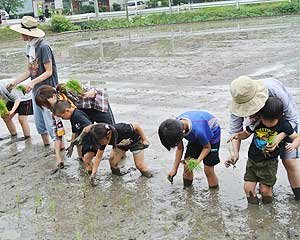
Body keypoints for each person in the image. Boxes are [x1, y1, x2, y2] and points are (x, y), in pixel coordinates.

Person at [228, 76, 300, 200]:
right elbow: (237, 132)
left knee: (289, 161)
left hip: (285, 125)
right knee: (257, 186)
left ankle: (298, 198)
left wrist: (279, 137)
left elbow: (292, 120)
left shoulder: (275, 92)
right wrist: (235, 153)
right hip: (257, 153)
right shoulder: (239, 101)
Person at [9, 16, 58, 147]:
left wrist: (32, 82)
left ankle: (60, 150)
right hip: (36, 91)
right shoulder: (29, 47)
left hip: (47, 91)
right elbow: (29, 71)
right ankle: (47, 147)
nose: (20, 34)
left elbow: (49, 71)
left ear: (27, 33)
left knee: (51, 121)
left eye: (21, 32)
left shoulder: (43, 47)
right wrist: (15, 82)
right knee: (39, 122)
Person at [74, 122, 152, 186]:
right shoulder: (102, 138)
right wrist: (93, 173)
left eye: (101, 142)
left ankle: (150, 178)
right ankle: (117, 181)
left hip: (135, 142)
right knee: (112, 162)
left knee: (139, 165)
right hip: (121, 145)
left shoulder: (121, 129)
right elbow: (98, 157)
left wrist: (144, 140)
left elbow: (137, 126)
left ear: (108, 134)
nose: (100, 144)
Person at [158, 111, 221, 188]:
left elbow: (207, 148)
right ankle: (187, 191)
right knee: (187, 166)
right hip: (195, 135)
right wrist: (174, 169)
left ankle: (213, 195)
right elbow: (180, 148)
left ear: (183, 132)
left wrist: (196, 162)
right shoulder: (174, 128)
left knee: (208, 169)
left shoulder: (199, 131)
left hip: (212, 135)